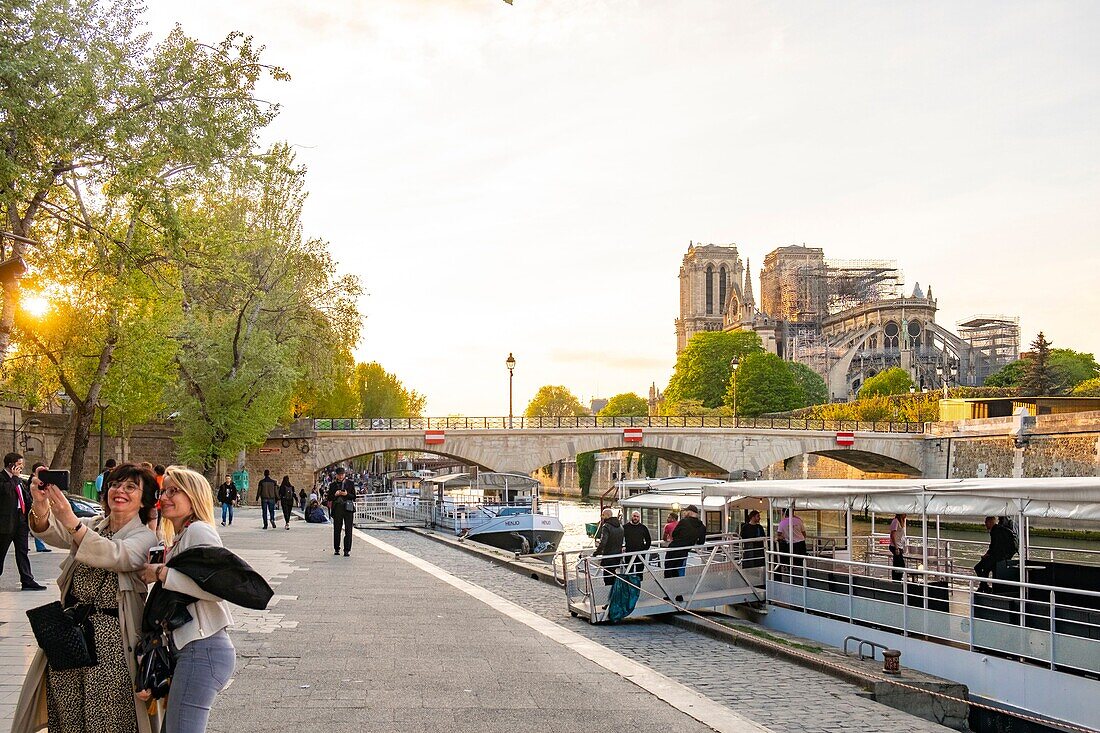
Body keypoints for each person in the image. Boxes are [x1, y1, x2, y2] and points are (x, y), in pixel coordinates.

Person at [14, 462, 160, 733]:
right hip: (70, 637)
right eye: (116, 484)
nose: (120, 491)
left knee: (107, 717)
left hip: (113, 642)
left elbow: (116, 555)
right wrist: (41, 503)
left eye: (131, 487)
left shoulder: (145, 538)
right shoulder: (94, 524)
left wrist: (71, 522)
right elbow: (49, 530)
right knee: (67, 714)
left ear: (144, 500)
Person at [138, 466, 238, 733]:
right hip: (192, 649)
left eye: (174, 491)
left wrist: (162, 573)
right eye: (163, 491)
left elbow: (218, 588)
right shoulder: (182, 534)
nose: (165, 497)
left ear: (193, 496)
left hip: (202, 649)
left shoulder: (199, 532)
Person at [0, 452, 46, 590]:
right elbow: (6, 492)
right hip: (6, 522)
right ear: (11, 465)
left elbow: (25, 496)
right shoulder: (2, 478)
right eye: (19, 464)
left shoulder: (19, 480)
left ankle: (27, 580)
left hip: (21, 520)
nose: (21, 467)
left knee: (22, 551)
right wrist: (14, 478)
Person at [974, 516, 1018, 592]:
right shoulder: (999, 530)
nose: (985, 524)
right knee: (985, 570)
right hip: (1002, 557)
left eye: (986, 522)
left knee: (978, 567)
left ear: (991, 522)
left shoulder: (995, 531)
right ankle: (984, 586)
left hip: (996, 558)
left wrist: (987, 554)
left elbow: (995, 546)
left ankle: (984, 586)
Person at [664, 504, 706, 578]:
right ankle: (677, 587)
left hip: (673, 549)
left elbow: (674, 534)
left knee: (668, 570)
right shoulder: (702, 526)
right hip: (684, 551)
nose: (684, 513)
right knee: (677, 571)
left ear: (690, 512)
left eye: (686, 511)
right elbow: (701, 542)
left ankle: (668, 588)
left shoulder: (684, 522)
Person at [326, 466, 356, 556]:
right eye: (339, 475)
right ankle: (336, 549)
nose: (341, 477)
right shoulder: (332, 485)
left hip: (348, 509)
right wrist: (335, 494)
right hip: (337, 508)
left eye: (342, 475)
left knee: (348, 530)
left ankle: (347, 550)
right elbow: (329, 498)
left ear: (345, 475)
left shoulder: (350, 484)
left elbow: (354, 497)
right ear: (336, 475)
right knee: (337, 530)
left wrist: (346, 494)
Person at [592, 508, 624, 585]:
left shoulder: (606, 526)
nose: (601, 517)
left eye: (602, 515)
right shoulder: (620, 526)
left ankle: (610, 593)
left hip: (608, 556)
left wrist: (596, 553)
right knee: (612, 573)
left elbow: (603, 542)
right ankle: (615, 590)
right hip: (617, 555)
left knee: (607, 576)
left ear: (607, 515)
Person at [889, 513, 907, 581]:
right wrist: (896, 547)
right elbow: (892, 535)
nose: (905, 515)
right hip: (895, 546)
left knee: (899, 563)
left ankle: (898, 579)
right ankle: (896, 580)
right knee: (899, 563)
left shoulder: (901, 522)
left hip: (900, 546)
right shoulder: (896, 521)